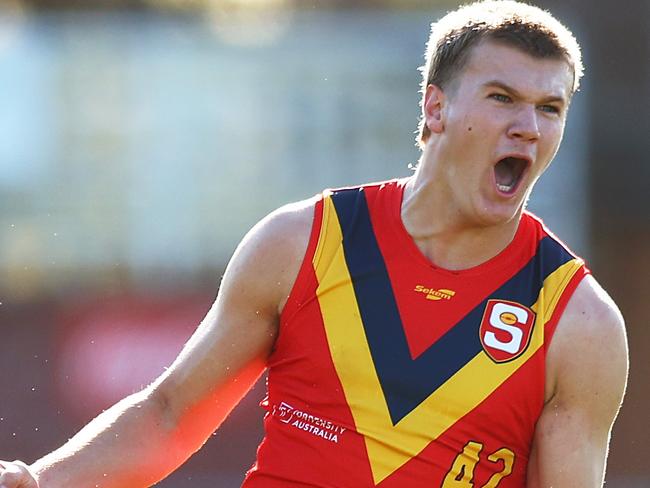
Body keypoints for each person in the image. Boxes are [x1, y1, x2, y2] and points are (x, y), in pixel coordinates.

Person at [0, 1, 628, 487]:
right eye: (502, 99)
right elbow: (168, 413)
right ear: (435, 107)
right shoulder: (303, 241)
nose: (528, 126)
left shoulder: (579, 322)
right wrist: (40, 482)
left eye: (551, 108)